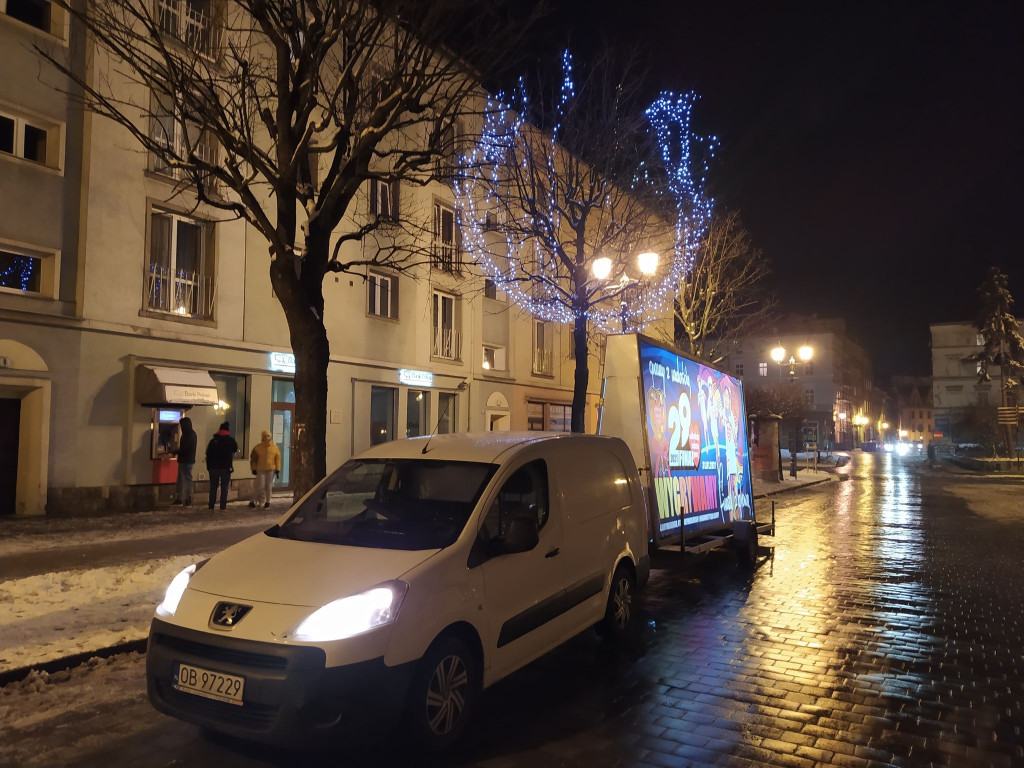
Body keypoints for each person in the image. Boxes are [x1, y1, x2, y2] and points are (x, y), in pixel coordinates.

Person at [205, 421, 238, 511]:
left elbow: (208, 454)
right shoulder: (230, 440)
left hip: (214, 468)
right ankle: (222, 506)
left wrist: (208, 466)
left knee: (213, 487)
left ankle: (211, 505)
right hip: (226, 468)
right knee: (224, 487)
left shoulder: (213, 441)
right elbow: (235, 449)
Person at [249, 430, 282, 509]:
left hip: (271, 469)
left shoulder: (275, 448)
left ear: (270, 437)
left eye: (268, 436)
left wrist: (277, 469)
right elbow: (253, 459)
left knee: (269, 486)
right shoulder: (257, 448)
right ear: (262, 437)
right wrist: (253, 468)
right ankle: (252, 501)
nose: (266, 437)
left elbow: (277, 459)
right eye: (264, 436)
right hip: (261, 468)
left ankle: (268, 502)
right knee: (260, 486)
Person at [173, 416, 197, 506]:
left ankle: (187, 498)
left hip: (186, 460)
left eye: (181, 425)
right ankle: (181, 498)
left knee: (185, 479)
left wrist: (175, 451)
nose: (180, 426)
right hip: (187, 460)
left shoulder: (188, 434)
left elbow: (185, 448)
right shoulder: (191, 433)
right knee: (182, 479)